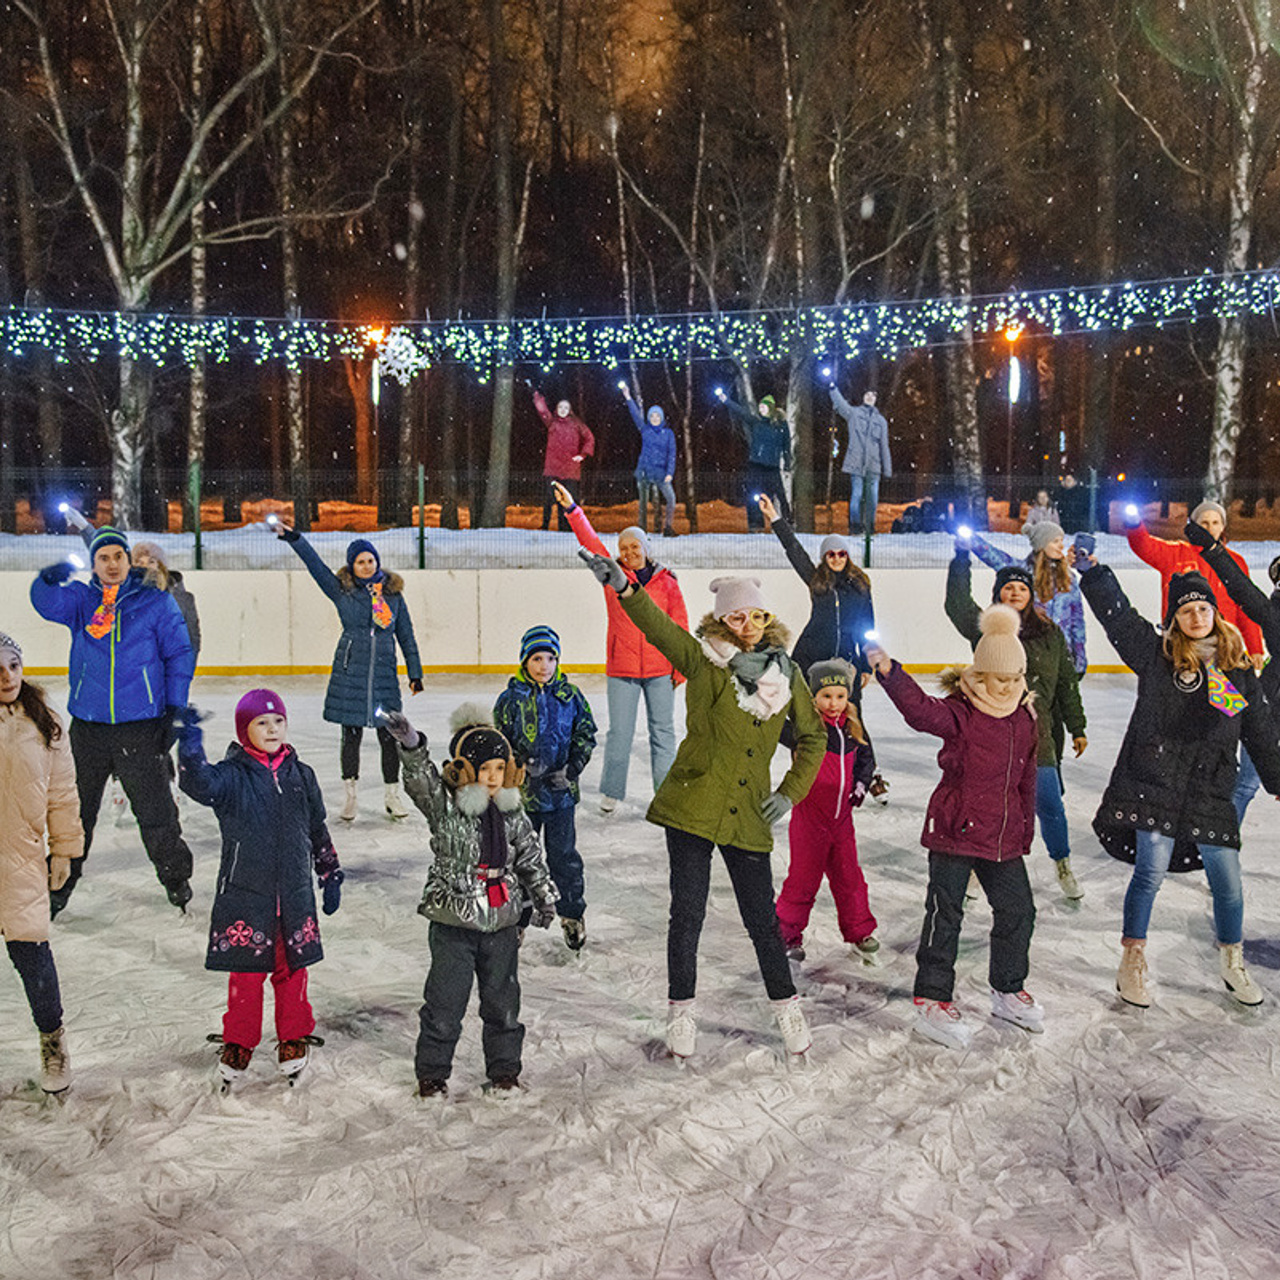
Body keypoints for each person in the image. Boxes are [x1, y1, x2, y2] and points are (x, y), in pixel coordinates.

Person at [578, 554, 826, 1060]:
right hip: (693, 802)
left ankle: (786, 1006)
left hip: (748, 810)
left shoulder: (786, 674)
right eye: (737, 617)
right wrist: (626, 588)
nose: (748, 626)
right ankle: (682, 1012)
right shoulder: (703, 659)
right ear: (721, 621)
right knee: (686, 913)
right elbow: (659, 628)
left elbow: (814, 736)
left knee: (761, 918)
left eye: (755, 616)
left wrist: (789, 791)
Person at [1080, 558, 1280, 1009]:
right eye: (1187, 611)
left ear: (1215, 613)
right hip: (1156, 781)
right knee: (1150, 871)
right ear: (1174, 619)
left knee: (1228, 879)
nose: (1197, 617)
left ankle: (1232, 960)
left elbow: (1260, 729)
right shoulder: (1157, 657)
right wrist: (1095, 575)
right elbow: (1121, 619)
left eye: (1204, 609)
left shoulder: (1237, 667)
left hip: (1211, 788)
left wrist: (1276, 778)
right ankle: (1132, 958)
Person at [866, 606, 1042, 1051]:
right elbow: (921, 712)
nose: (1005, 686)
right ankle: (931, 997)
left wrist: (1024, 830)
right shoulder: (962, 714)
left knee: (1019, 910)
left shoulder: (1024, 718)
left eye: (1012, 677)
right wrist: (890, 672)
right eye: (996, 677)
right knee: (946, 914)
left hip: (1002, 834)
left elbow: (1027, 777)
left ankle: (1006, 988)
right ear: (980, 674)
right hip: (956, 828)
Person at [381, 704, 558, 1098]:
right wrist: (410, 744)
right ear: (464, 771)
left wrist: (544, 897)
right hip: (454, 925)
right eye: (485, 769)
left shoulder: (513, 813)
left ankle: (504, 1072)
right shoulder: (447, 810)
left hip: (502, 925)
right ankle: (432, 1075)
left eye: (500, 768)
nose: (493, 777)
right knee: (444, 1006)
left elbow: (530, 858)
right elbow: (421, 780)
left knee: (503, 1005)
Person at [175, 690, 342, 1087]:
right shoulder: (232, 776)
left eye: (278, 721)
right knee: (246, 976)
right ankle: (239, 1040)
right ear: (244, 730)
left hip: (295, 894)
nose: (272, 729)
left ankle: (293, 1036)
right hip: (247, 894)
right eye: (262, 723)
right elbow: (199, 784)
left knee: (293, 972)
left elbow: (316, 826)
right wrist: (191, 743)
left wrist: (329, 870)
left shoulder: (301, 775)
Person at [30, 527, 196, 915]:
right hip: (87, 727)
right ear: (93, 564)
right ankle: (60, 884)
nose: (111, 564)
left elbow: (179, 655)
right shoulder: (81, 600)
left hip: (140, 725)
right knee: (74, 812)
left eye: (117, 556)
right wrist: (46, 578)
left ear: (127, 560)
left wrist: (174, 709)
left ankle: (176, 878)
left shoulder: (155, 602)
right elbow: (45, 603)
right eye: (103, 558)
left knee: (155, 810)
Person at [945, 541, 1088, 900]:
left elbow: (1066, 683)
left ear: (1030, 594)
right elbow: (957, 606)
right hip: (992, 734)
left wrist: (1078, 726)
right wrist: (961, 559)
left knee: (1050, 804)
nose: (1015, 593)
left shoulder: (1050, 634)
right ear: (998, 594)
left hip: (1039, 735)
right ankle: (982, 865)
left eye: (1021, 588)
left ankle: (1062, 862)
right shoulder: (989, 632)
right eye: (1008, 588)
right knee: (991, 805)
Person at [276, 525, 424, 823]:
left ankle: (391, 795)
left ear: (377, 562)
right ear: (352, 566)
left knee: (389, 735)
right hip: (350, 671)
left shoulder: (393, 596)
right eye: (360, 562)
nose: (367, 565)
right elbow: (314, 565)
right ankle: (351, 795)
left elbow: (406, 635)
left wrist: (415, 672)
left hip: (383, 673)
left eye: (370, 560)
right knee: (351, 735)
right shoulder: (341, 591)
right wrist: (295, 539)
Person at [555, 481, 686, 814]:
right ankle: (612, 791)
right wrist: (573, 510)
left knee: (663, 733)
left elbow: (679, 627)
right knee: (620, 734)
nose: (628, 553)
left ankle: (666, 792)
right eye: (623, 547)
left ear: (645, 548)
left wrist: (680, 667)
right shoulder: (613, 578)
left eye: (634, 547)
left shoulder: (667, 582)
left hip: (660, 670)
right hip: (623, 669)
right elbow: (591, 543)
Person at [0, 631, 83, 1095]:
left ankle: (54, 1043)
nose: (7, 675)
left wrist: (65, 849)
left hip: (20, 858)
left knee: (32, 957)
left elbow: (62, 792)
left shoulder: (43, 720)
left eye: (13, 664)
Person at [493, 626, 597, 951]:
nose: (544, 665)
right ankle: (517, 920)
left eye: (550, 658)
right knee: (521, 859)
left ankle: (571, 914)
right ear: (525, 661)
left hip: (561, 795)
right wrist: (517, 758)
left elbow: (586, 734)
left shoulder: (571, 696)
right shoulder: (510, 699)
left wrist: (573, 768)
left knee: (563, 857)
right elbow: (499, 738)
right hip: (523, 798)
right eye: (537, 658)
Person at [775, 660, 878, 964]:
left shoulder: (854, 728)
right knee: (803, 880)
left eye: (840, 696)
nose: (834, 704)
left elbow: (867, 759)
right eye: (826, 696)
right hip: (810, 819)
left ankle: (859, 931)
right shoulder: (804, 729)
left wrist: (861, 784)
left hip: (842, 819)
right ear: (813, 698)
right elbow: (773, 722)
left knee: (850, 877)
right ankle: (786, 934)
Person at [1184, 521, 1280, 819]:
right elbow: (1242, 589)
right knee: (1245, 785)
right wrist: (1213, 550)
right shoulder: (1273, 615)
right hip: (1270, 710)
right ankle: (1216, 841)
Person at [1124, 500, 1265, 665]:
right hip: (1182, 643)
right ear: (1194, 526)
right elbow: (1144, 545)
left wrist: (1255, 648)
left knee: (1223, 691)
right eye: (1204, 522)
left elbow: (1246, 607)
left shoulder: (1235, 561)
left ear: (1222, 527)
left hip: (1223, 644)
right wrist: (1134, 524)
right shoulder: (1174, 554)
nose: (1209, 527)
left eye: (1215, 522)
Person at [757, 494, 875, 681]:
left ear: (847, 556)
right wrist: (774, 516)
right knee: (809, 709)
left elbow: (867, 626)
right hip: (811, 656)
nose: (837, 559)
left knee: (849, 709)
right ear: (824, 558)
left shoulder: (860, 585)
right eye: (831, 555)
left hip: (847, 658)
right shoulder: (817, 581)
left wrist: (866, 666)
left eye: (841, 554)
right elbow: (794, 549)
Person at [968, 521, 1088, 675]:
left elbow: (1077, 621)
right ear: (1041, 545)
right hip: (1030, 651)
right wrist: (970, 539)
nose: (1061, 546)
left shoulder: (1068, 577)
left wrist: (1080, 659)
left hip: (1061, 654)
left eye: (1061, 541)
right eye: (1055, 541)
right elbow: (994, 556)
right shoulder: (1023, 573)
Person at [714, 387, 792, 531]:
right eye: (760, 407)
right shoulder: (756, 422)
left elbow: (786, 445)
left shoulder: (781, 425)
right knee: (753, 495)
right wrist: (726, 401)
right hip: (755, 464)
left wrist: (787, 464)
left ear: (770, 408)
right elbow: (741, 412)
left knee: (780, 495)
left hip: (772, 466)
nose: (760, 409)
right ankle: (756, 525)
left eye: (763, 407)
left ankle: (788, 523)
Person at [827, 383, 892, 535]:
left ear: (876, 399)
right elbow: (841, 405)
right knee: (856, 495)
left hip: (874, 465)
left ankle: (869, 526)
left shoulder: (881, 422)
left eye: (873, 395)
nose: (870, 397)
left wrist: (887, 469)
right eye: (867, 394)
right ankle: (855, 526)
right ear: (863, 397)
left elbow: (884, 446)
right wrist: (833, 389)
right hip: (856, 462)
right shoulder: (854, 414)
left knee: (872, 499)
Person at [530, 385, 595, 531]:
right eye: (561, 407)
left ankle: (566, 528)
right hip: (552, 468)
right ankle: (545, 526)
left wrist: (583, 454)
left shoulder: (577, 424)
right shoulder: (552, 423)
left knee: (566, 501)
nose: (563, 410)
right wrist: (537, 397)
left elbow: (589, 438)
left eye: (566, 407)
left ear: (570, 410)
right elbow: (542, 411)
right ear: (557, 409)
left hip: (570, 469)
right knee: (548, 498)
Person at [619, 382, 677, 536]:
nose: (655, 418)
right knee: (643, 504)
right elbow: (635, 415)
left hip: (661, 472)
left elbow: (672, 454)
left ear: (662, 417)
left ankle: (668, 528)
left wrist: (670, 473)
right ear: (649, 418)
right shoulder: (645, 430)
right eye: (652, 415)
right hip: (644, 470)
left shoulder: (668, 434)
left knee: (671, 499)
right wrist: (628, 397)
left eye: (657, 415)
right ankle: (642, 531)